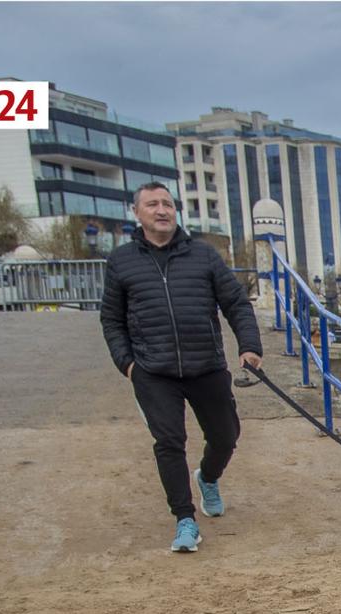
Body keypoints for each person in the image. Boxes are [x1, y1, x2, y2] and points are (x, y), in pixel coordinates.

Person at [101, 182, 263, 552]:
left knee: (226, 436)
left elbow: (236, 303)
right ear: (137, 213)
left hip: (205, 364)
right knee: (169, 442)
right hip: (153, 371)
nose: (162, 210)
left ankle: (207, 477)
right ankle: (185, 520)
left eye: (168, 204)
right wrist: (127, 364)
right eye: (153, 204)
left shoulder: (203, 256)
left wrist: (250, 346)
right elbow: (111, 319)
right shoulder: (122, 261)